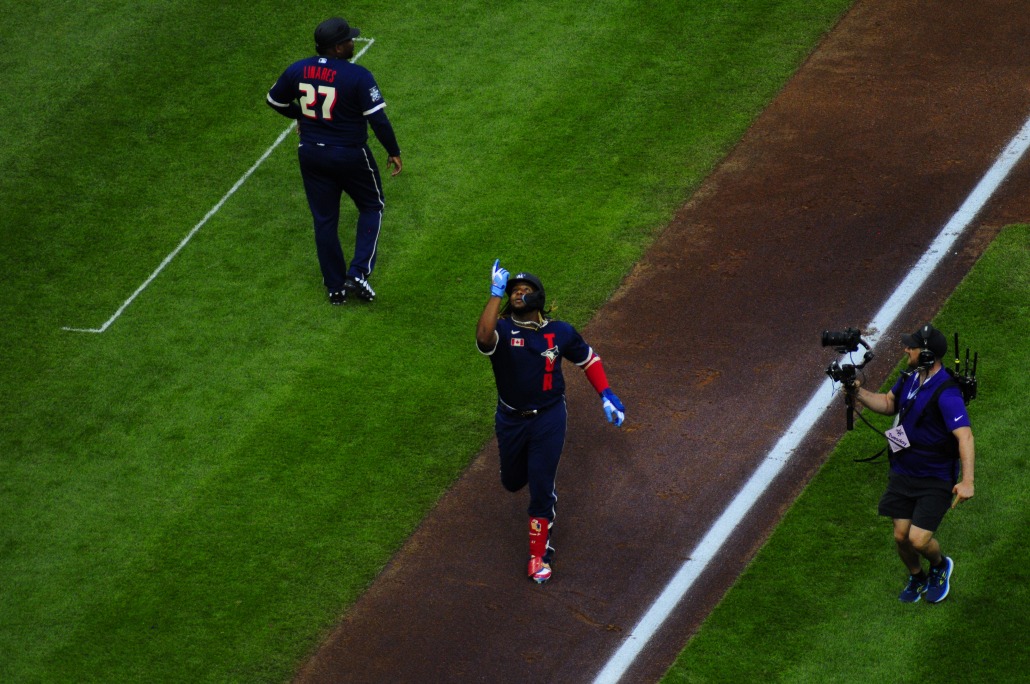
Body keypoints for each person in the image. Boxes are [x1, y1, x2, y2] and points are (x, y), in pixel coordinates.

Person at [476, 260, 626, 583]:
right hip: (511, 420)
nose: (517, 294)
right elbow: (483, 336)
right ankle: (528, 474)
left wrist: (606, 394)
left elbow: (588, 358)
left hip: (549, 418)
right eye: (513, 291)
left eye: (523, 290)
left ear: (538, 297)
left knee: (541, 485)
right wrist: (494, 294)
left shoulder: (559, 332)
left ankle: (538, 556)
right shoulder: (502, 330)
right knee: (513, 481)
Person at [266, 17, 403, 305]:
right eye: (349, 40)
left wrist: (301, 115)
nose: (353, 42)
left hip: (311, 154)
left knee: (325, 220)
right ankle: (358, 273)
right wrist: (393, 150)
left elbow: (274, 101)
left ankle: (335, 288)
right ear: (338, 48)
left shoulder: (298, 69)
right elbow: (377, 119)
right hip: (350, 154)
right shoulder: (358, 76)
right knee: (372, 205)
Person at [849, 323, 975, 604]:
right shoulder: (909, 376)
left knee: (918, 540)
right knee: (900, 537)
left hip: (934, 478)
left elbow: (965, 436)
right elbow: (887, 403)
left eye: (913, 347)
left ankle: (940, 566)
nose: (906, 349)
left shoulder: (947, 393)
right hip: (903, 471)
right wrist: (856, 391)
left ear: (928, 356)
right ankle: (917, 575)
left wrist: (967, 481)